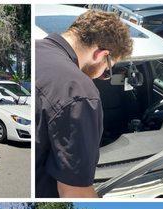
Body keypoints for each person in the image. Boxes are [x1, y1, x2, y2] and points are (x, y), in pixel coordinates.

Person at [35, 10, 133, 198]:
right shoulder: (79, 92)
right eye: (107, 70)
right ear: (101, 54)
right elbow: (75, 192)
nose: (103, 76)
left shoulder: (36, 50)